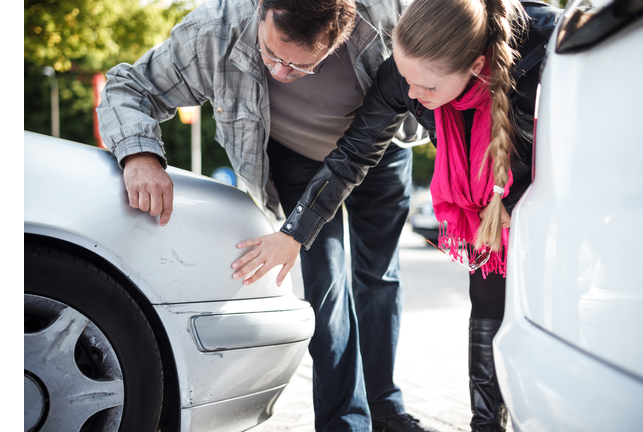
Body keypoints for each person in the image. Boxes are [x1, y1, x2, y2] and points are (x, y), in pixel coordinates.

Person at [97, 0, 439, 431]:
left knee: (378, 277)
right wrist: (140, 155)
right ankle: (345, 423)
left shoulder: (386, 16)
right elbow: (127, 86)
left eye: (301, 67)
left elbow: (443, 80)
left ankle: (385, 408)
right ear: (262, 10)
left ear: (340, 33)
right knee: (326, 286)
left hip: (378, 149)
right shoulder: (214, 30)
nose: (281, 73)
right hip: (299, 158)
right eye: (273, 54)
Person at [233, 0, 561, 430]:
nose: (410, 95)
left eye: (425, 88)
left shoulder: (547, 56)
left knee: (553, 314)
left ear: (477, 66)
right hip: (485, 208)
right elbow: (353, 155)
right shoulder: (405, 78)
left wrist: (528, 209)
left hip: (555, 206)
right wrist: (295, 232)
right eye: (405, 78)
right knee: (487, 300)